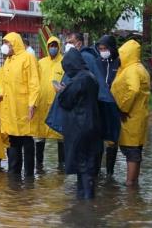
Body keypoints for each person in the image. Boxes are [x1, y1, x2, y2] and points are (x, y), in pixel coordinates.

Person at [47, 33, 120, 175]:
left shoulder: (84, 61)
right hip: (90, 119)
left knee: (85, 166)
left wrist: (62, 91)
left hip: (82, 120)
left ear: (79, 43)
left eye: (71, 41)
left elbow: (73, 94)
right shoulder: (85, 63)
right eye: (66, 42)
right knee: (89, 163)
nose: (67, 44)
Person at [58, 48, 101, 199]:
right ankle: (86, 202)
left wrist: (61, 91)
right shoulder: (92, 77)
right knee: (88, 164)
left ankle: (86, 201)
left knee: (82, 164)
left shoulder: (78, 80)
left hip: (80, 127)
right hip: (93, 126)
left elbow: (66, 102)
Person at [0, 32, 40, 177]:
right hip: (10, 107)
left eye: (7, 43)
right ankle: (14, 173)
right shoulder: (8, 61)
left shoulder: (28, 58)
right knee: (13, 139)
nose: (5, 46)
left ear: (14, 43)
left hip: (23, 107)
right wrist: (0, 94)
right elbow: (4, 82)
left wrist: (32, 104)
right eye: (4, 43)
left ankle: (29, 174)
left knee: (26, 139)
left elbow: (34, 82)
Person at [111, 40, 150, 187]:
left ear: (128, 54)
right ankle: (133, 183)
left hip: (130, 117)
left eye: (122, 54)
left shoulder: (132, 70)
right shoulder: (139, 68)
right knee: (135, 150)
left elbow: (133, 89)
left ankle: (130, 184)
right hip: (138, 115)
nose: (120, 57)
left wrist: (123, 108)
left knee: (131, 151)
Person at [33, 36, 64, 173]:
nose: (53, 48)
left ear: (59, 47)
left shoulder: (64, 62)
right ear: (47, 46)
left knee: (61, 136)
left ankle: (61, 166)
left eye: (55, 45)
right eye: (51, 45)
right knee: (40, 136)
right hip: (42, 104)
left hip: (59, 104)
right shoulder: (40, 63)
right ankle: (39, 166)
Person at [95, 35, 121, 177]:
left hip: (113, 105)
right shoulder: (97, 62)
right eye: (100, 49)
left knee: (112, 139)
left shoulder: (119, 62)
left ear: (111, 48)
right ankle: (97, 170)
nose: (102, 51)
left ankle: (110, 173)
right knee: (98, 138)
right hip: (99, 104)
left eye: (105, 48)